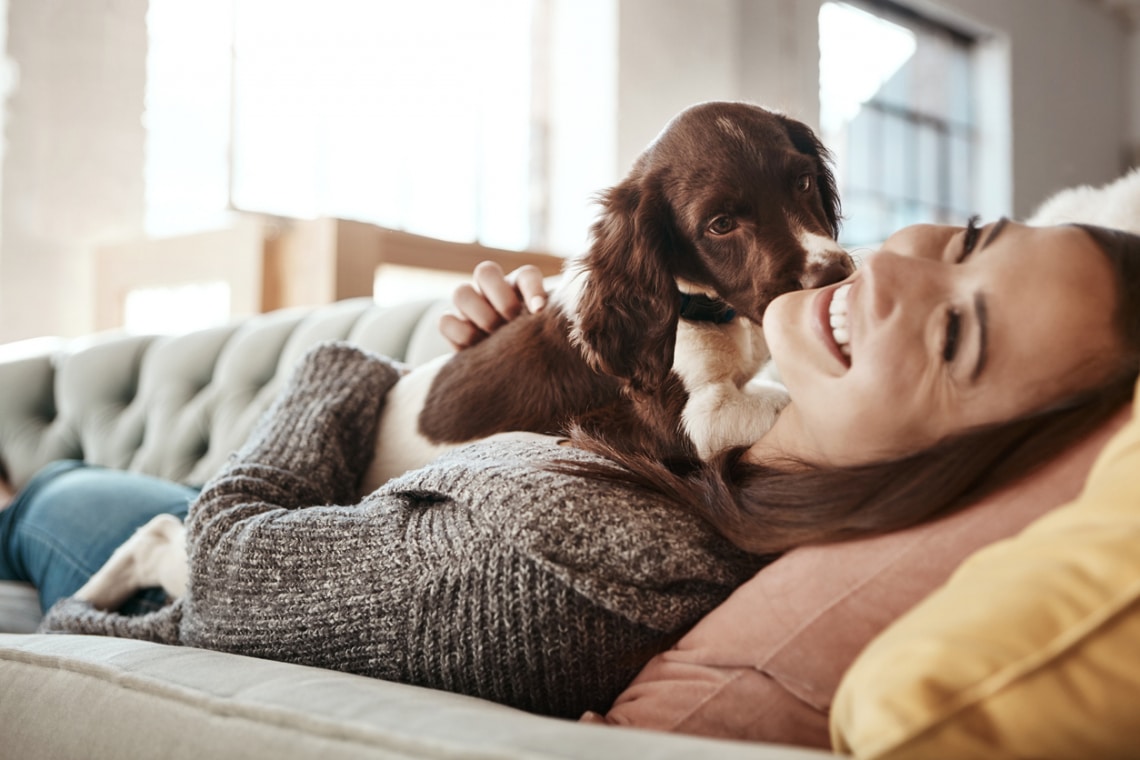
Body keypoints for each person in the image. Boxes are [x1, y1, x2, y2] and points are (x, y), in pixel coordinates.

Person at [4, 218, 1140, 719]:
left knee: (52, 499)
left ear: (967, 470)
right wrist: (469, 383)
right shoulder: (725, 424)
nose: (896, 273)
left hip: (165, 577)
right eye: (970, 242)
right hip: (296, 528)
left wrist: (357, 373)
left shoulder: (572, 568)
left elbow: (233, 563)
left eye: (954, 338)